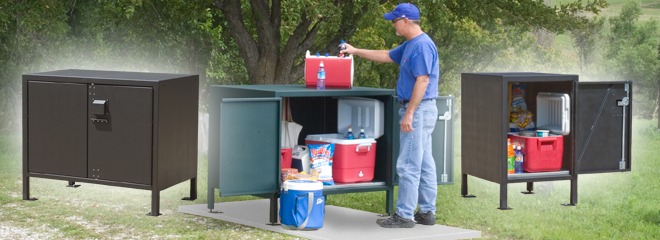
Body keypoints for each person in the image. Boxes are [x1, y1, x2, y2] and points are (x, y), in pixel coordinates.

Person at [341, 3, 440, 228]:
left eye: (394, 21)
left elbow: (422, 80)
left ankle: (404, 215)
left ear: (405, 21)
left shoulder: (422, 46)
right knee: (424, 163)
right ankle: (426, 212)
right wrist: (355, 51)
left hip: (418, 109)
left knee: (408, 164)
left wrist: (410, 113)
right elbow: (386, 55)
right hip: (420, 109)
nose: (392, 25)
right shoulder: (410, 45)